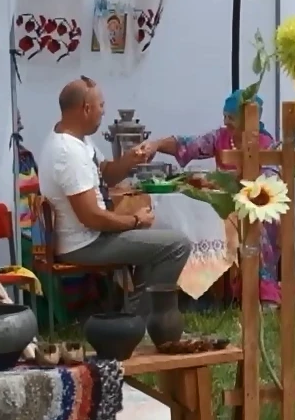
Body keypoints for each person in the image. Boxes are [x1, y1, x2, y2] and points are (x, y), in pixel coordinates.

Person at [40, 77, 192, 297]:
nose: (103, 112)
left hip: (91, 237)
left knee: (155, 241)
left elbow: (106, 175)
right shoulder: (67, 153)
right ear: (86, 108)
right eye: (101, 106)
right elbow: (91, 217)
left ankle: (135, 314)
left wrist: (130, 159)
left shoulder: (77, 139)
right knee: (177, 245)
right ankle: (145, 318)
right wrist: (135, 221)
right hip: (85, 245)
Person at [147, 89, 283, 304]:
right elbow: (189, 145)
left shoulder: (266, 143)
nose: (226, 121)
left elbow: (270, 179)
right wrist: (156, 144)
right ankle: (209, 291)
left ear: (248, 117)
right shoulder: (221, 137)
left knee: (258, 227)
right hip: (226, 205)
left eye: (232, 117)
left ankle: (265, 295)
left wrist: (228, 178)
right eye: (225, 116)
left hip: (258, 205)